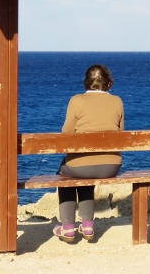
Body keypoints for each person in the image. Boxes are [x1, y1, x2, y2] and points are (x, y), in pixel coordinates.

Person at [53, 64, 124, 243]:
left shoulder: (76, 100)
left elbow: (66, 133)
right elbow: (121, 134)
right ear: (108, 83)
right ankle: (87, 225)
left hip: (81, 167)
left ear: (86, 83)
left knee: (66, 176)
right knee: (85, 176)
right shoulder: (117, 101)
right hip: (110, 166)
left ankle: (68, 228)